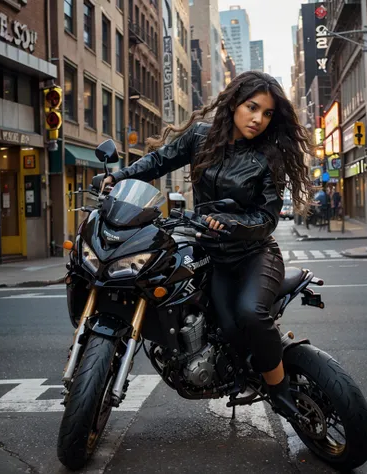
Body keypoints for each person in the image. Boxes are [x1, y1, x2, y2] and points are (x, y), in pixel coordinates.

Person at [98, 71, 313, 420]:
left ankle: (281, 391)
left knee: (249, 315)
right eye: (252, 107)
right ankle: (233, 373)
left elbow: (268, 218)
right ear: (234, 104)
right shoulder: (201, 136)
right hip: (211, 257)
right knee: (225, 329)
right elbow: (159, 161)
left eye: (268, 113)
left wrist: (232, 224)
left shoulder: (269, 155)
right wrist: (118, 177)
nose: (258, 119)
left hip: (254, 254)